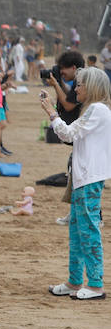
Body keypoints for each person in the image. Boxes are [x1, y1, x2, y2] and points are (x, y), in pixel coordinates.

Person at [42, 67, 111, 300]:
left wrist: (52, 113)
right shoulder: (93, 109)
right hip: (84, 176)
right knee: (77, 231)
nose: (76, 88)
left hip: (89, 178)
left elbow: (68, 134)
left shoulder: (98, 109)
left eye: (79, 84)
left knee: (88, 230)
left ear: (90, 87)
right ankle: (75, 280)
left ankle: (95, 283)